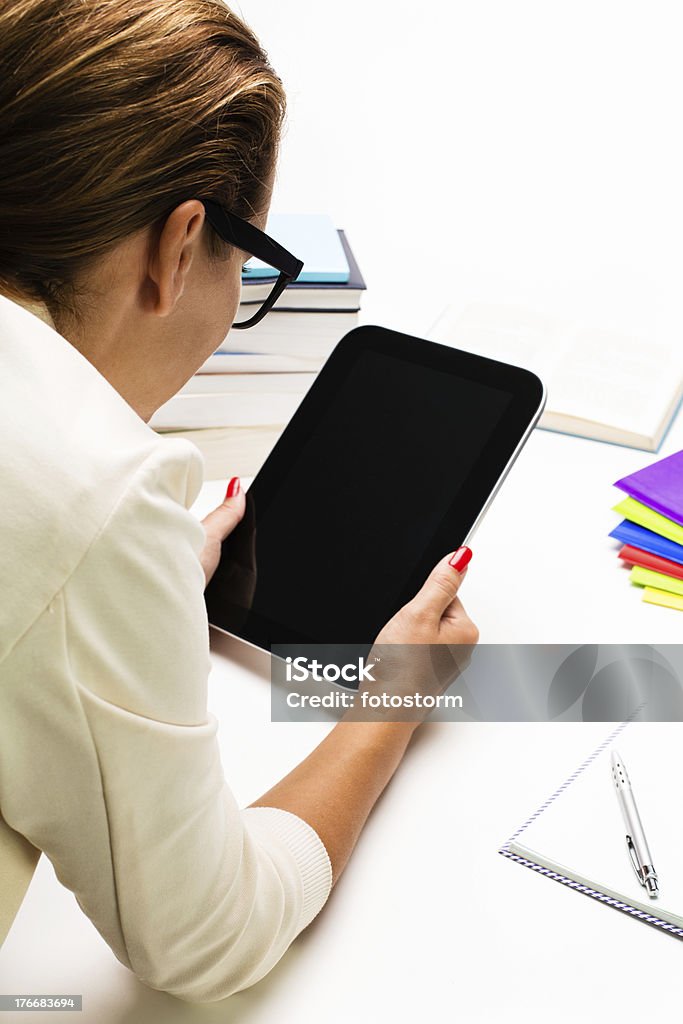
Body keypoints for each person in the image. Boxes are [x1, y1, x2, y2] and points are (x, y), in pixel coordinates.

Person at [0, 0, 478, 1003]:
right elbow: (204, 937)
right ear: (179, 246)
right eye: (245, 265)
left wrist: (121, 589)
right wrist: (388, 705)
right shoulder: (97, 484)